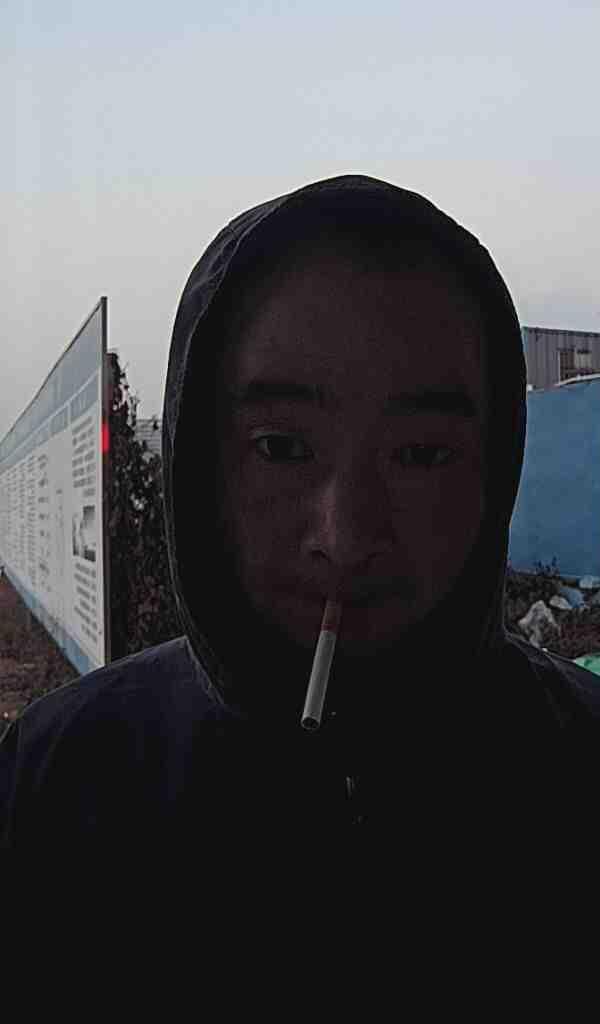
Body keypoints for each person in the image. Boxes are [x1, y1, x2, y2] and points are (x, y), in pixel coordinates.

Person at [1, 174, 599, 871]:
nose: (346, 538)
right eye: (282, 448)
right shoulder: (55, 785)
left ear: (493, 469)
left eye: (420, 455)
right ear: (200, 465)